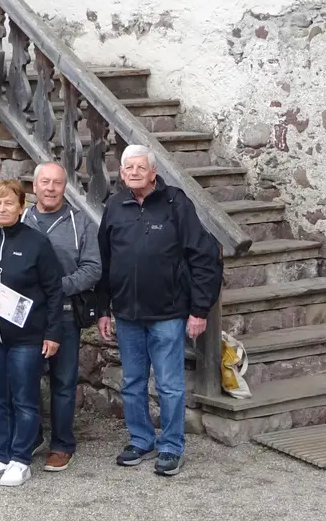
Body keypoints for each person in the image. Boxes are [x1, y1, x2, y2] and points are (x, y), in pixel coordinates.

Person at [98, 145, 223, 478]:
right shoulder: (114, 206)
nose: (134, 172)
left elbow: (204, 257)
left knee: (169, 384)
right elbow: (105, 262)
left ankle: (170, 446)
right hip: (126, 314)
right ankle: (141, 440)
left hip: (168, 314)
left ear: (154, 172)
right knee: (133, 382)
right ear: (121, 173)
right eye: (128, 167)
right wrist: (103, 309)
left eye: (141, 167)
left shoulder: (176, 204)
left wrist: (199, 309)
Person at [0, 180, 64, 487]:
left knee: (24, 399)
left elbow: (54, 291)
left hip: (27, 338)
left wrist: (52, 333)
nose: (3, 208)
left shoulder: (38, 243)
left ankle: (21, 459)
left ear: (21, 207)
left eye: (9, 203)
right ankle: (0, 455)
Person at [27, 161, 102, 472]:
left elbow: (93, 269)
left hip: (66, 314)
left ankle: (62, 444)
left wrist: (56, 289)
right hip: (26, 317)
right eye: (45, 182)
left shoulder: (80, 223)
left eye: (57, 183)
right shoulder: (21, 219)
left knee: (63, 382)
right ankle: (30, 437)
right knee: (25, 380)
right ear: (35, 186)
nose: (50, 188)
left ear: (64, 187)